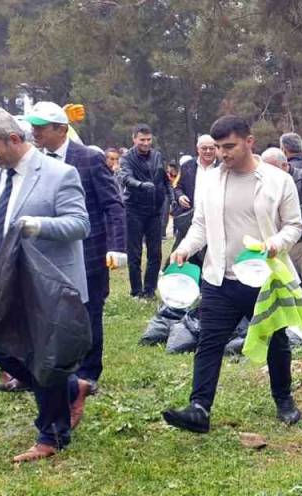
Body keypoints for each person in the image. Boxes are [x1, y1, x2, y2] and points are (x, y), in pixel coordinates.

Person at [0, 107, 90, 463]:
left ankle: (51, 437)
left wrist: (37, 225)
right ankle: (69, 387)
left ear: (14, 139)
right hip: (6, 283)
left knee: (43, 358)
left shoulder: (60, 174)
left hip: (48, 285)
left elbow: (79, 224)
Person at [162, 115, 302, 434]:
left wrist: (274, 244)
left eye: (230, 147)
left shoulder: (277, 180)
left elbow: (294, 225)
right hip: (219, 279)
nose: (223, 154)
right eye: (218, 148)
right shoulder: (210, 179)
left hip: (263, 278)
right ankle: (199, 408)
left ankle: (284, 399)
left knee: (275, 340)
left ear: (249, 142)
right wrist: (185, 248)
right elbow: (200, 224)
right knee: (209, 342)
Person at [27, 101, 127, 412]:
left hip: (90, 251)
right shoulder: (35, 162)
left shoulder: (89, 158)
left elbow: (112, 204)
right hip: (51, 254)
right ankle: (57, 370)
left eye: (42, 127)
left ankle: (88, 373)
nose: (35, 133)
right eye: (34, 127)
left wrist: (117, 246)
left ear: (61, 129)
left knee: (89, 312)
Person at [261, 147, 302, 314]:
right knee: (289, 286)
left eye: (271, 168)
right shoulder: (266, 183)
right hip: (283, 242)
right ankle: (294, 328)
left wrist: (293, 213)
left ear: (284, 165)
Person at [120, 124, 171, 298]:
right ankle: (136, 291)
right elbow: (125, 178)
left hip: (155, 210)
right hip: (134, 209)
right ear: (134, 139)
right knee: (134, 253)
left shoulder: (157, 156)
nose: (146, 143)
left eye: (149, 140)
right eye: (142, 140)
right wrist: (141, 185)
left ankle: (149, 290)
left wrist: (171, 198)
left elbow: (165, 180)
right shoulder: (127, 158)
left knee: (155, 252)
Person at [175, 135, 219, 265]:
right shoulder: (187, 166)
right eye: (204, 148)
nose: (208, 151)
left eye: (212, 148)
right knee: (189, 251)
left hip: (215, 217)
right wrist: (180, 196)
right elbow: (178, 187)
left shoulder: (223, 167)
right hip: (191, 217)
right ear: (197, 149)